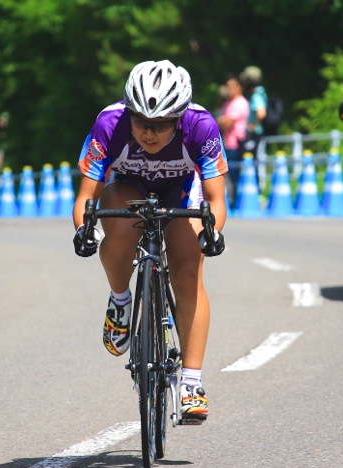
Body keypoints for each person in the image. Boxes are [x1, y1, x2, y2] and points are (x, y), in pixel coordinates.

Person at [72, 60, 228, 423]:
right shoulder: (109, 124)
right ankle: (121, 299)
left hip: (180, 192)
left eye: (160, 125)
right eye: (141, 122)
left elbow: (216, 200)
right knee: (121, 226)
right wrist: (84, 230)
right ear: (129, 113)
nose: (149, 133)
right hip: (127, 188)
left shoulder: (201, 126)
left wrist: (212, 231)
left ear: (179, 118)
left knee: (188, 270)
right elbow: (86, 199)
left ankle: (191, 381)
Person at [216, 74, 249, 208]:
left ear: (239, 87)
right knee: (226, 175)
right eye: (227, 87)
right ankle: (230, 201)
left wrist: (222, 121)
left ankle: (235, 202)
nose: (229, 90)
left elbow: (226, 123)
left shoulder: (240, 103)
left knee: (234, 176)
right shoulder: (228, 103)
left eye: (232, 87)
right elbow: (220, 121)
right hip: (226, 143)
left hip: (235, 144)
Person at [240, 65, 268, 157]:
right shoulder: (260, 93)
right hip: (256, 134)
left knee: (253, 163)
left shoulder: (257, 95)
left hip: (255, 134)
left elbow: (261, 113)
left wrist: (253, 125)